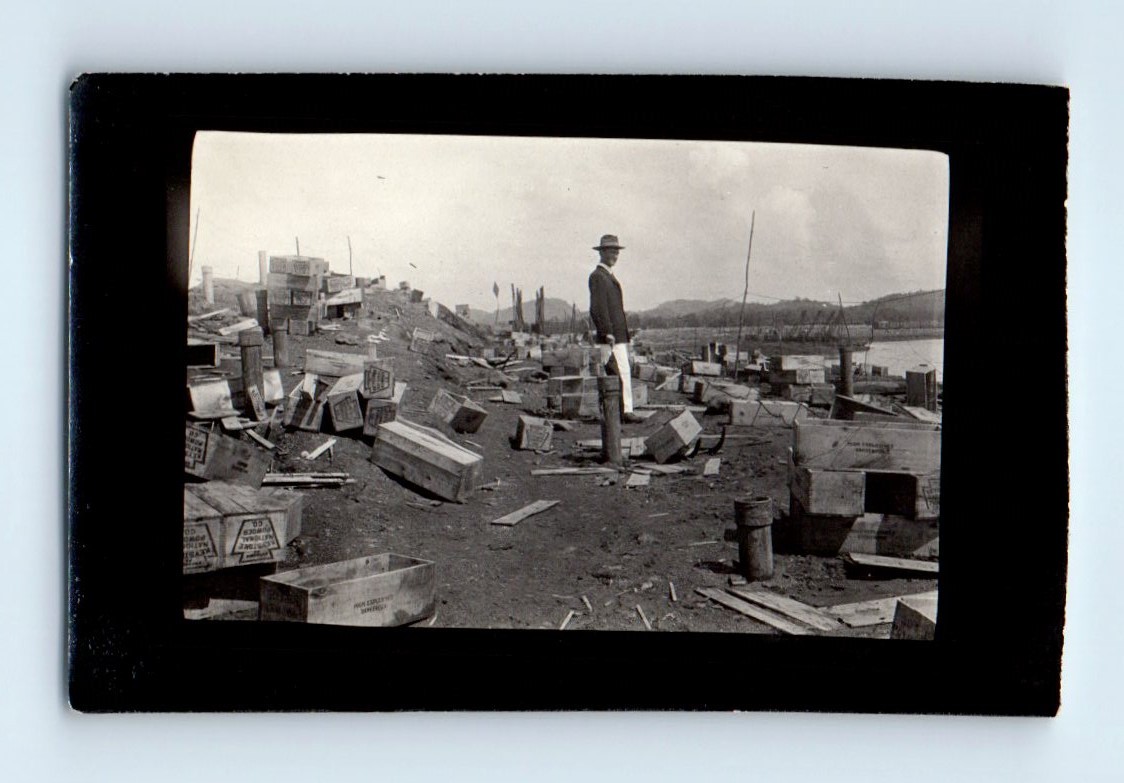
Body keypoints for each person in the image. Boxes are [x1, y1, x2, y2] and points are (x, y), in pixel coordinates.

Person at [588, 234, 643, 424]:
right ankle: (621, 412)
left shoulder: (608, 277)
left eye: (616, 252)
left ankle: (623, 410)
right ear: (601, 252)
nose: (615, 255)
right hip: (610, 337)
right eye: (611, 251)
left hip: (618, 336)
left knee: (622, 372)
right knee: (616, 372)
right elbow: (597, 308)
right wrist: (607, 331)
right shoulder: (597, 277)